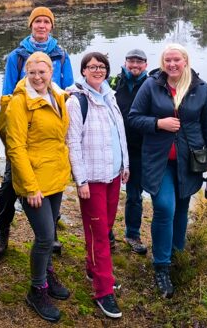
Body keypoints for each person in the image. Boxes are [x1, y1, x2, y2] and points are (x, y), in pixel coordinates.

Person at [128, 43, 207, 299]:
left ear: (185, 61)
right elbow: (134, 117)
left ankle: (176, 257)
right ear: (162, 62)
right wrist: (158, 123)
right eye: (167, 60)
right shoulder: (151, 85)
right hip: (158, 161)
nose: (172, 64)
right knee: (164, 207)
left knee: (182, 209)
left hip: (190, 160)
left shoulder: (200, 88)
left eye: (177, 60)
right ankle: (161, 266)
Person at [0, 6, 74, 261]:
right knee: (8, 185)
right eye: (37, 22)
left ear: (51, 26)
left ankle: (50, 232)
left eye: (46, 22)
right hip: (24, 128)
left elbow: (66, 91)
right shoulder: (17, 56)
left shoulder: (61, 55)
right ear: (31, 26)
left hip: (50, 130)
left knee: (53, 184)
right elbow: (7, 96)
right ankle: (2, 231)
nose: (42, 26)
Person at [2, 52, 72, 322]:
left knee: (51, 230)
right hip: (33, 181)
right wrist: (30, 187)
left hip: (54, 176)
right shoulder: (20, 103)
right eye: (32, 73)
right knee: (44, 237)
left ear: (51, 72)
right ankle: (37, 288)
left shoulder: (57, 94)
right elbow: (15, 147)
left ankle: (48, 273)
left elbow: (59, 136)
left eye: (43, 72)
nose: (38, 77)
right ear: (26, 74)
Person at [66, 52, 129, 319]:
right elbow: (73, 143)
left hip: (113, 174)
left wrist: (125, 164)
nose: (98, 70)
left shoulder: (109, 95)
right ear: (83, 71)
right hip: (92, 178)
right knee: (101, 235)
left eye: (102, 67)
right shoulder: (76, 101)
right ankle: (103, 290)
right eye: (92, 67)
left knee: (105, 227)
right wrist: (80, 180)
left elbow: (119, 132)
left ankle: (94, 267)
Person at [108, 48, 149, 255]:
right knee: (108, 193)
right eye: (131, 61)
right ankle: (106, 233)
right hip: (113, 147)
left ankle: (132, 234)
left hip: (138, 149)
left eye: (139, 62)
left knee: (134, 194)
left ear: (145, 65)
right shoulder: (114, 83)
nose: (134, 65)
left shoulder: (151, 85)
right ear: (125, 62)